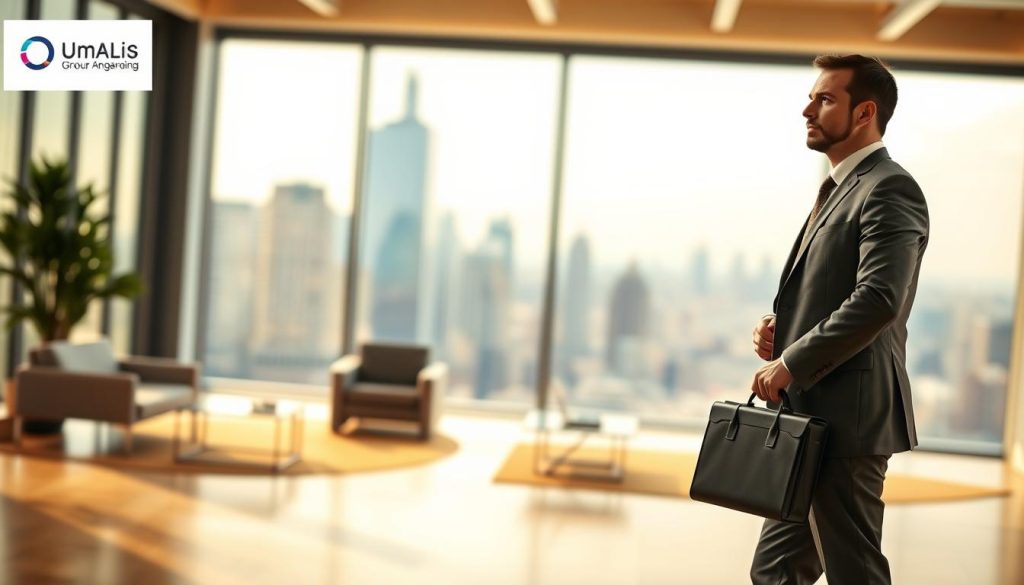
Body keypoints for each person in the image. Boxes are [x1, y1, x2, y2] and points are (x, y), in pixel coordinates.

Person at [748, 54, 929, 585]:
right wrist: (782, 327)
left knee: (856, 572)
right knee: (777, 571)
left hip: (847, 422)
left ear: (864, 112)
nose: (808, 109)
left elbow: (878, 298)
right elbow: (835, 288)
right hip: (813, 418)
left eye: (825, 99)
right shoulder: (841, 187)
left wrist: (792, 363)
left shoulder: (889, 188)